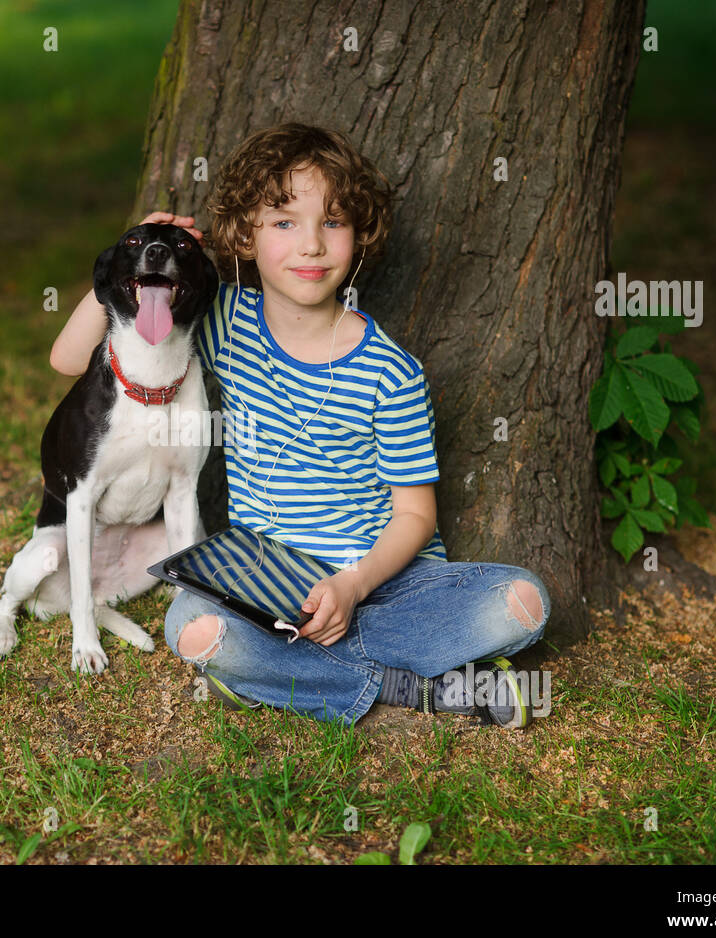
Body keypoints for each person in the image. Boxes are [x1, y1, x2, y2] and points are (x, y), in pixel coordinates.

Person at [49, 123, 550, 728]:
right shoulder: (225, 320)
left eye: (332, 222)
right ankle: (420, 685)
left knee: (522, 604)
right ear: (245, 237)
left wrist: (354, 586)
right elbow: (69, 359)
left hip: (387, 584)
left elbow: (416, 516)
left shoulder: (391, 371)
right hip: (268, 588)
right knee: (195, 628)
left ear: (359, 237)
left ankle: (287, 678)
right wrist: (137, 265)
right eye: (284, 223)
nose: (311, 244)